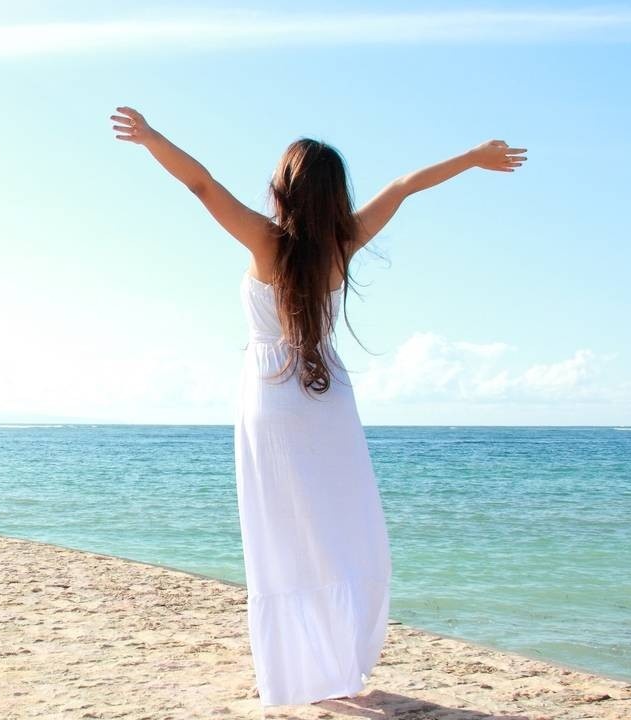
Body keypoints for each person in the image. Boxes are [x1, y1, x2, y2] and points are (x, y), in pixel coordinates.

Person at [111, 106, 526, 707]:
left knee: (281, 537)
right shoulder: (344, 243)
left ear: (283, 187)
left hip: (273, 393)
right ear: (336, 195)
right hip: (329, 395)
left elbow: (201, 184)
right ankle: (338, 659)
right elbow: (404, 186)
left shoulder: (264, 240)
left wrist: (152, 138)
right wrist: (474, 157)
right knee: (340, 529)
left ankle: (292, 667)